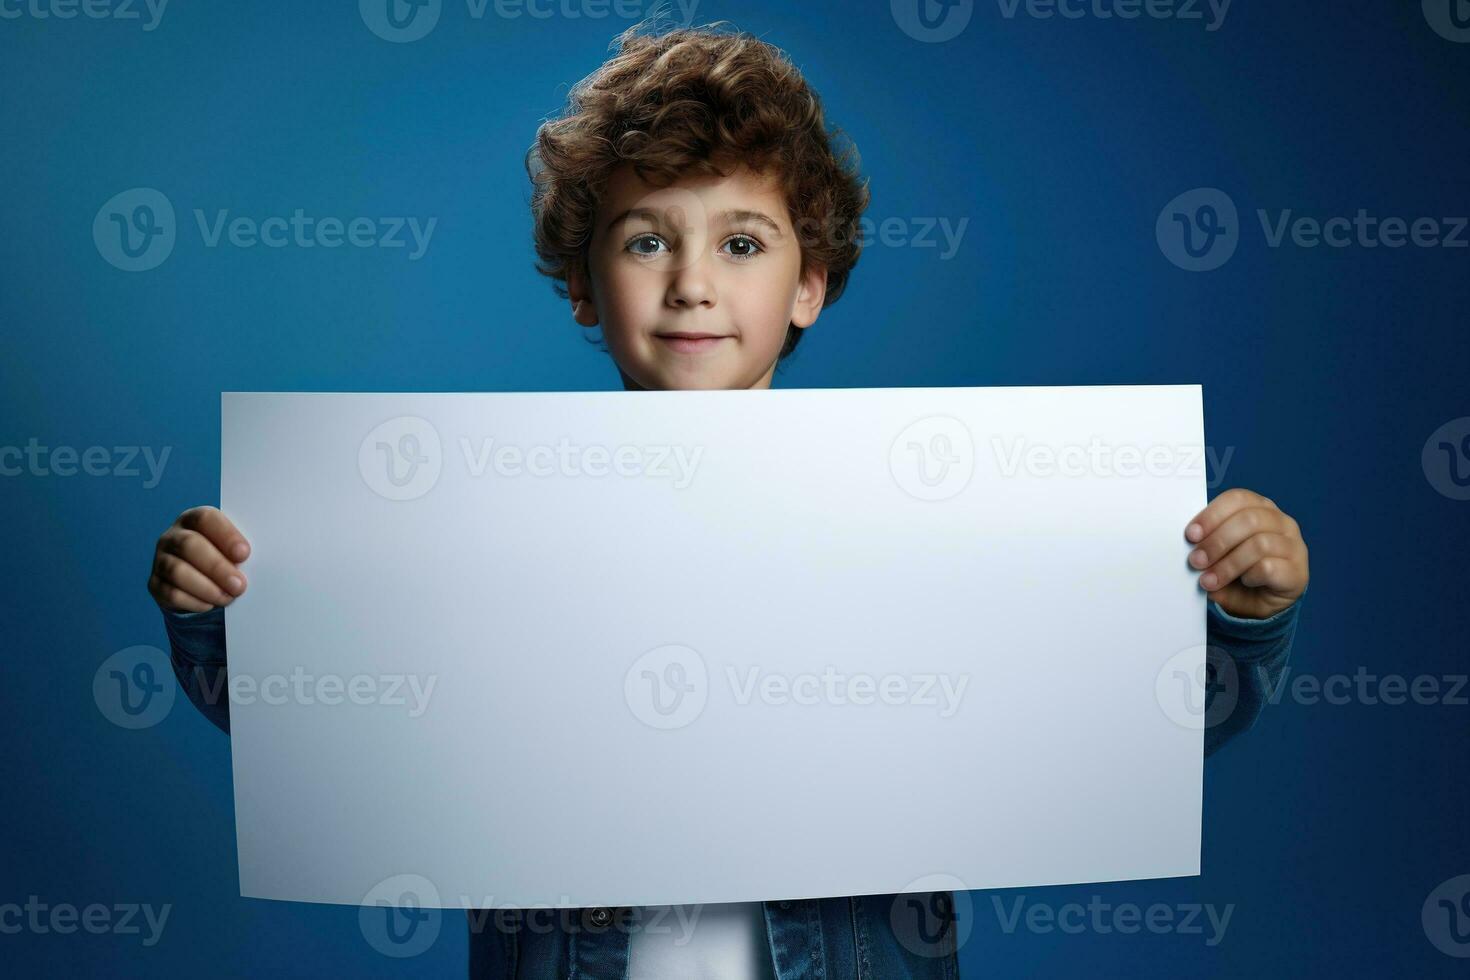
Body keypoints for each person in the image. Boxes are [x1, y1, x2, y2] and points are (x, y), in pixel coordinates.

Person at [148, 19, 1310, 979]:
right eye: (647, 240)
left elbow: (1124, 719)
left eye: (743, 243)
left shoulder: (930, 519)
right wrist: (223, 610)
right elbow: (340, 733)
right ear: (581, 290)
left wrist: (1241, 612)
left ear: (810, 283)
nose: (694, 282)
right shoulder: (481, 525)